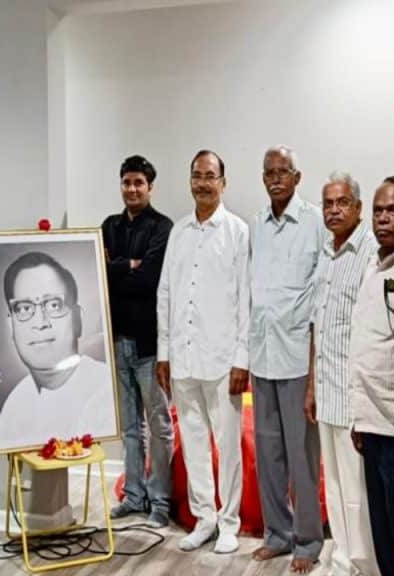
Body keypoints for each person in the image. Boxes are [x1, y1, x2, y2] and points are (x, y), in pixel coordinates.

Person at [156, 149, 250, 554]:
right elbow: (165, 293)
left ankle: (229, 523)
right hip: (183, 356)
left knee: (227, 447)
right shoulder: (178, 232)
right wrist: (164, 352)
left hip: (222, 359)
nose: (203, 183)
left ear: (223, 183)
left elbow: (246, 299)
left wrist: (242, 358)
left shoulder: (237, 232)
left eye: (210, 176)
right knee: (193, 443)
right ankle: (204, 518)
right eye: (197, 175)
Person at [248, 146, 325, 573]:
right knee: (269, 455)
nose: (276, 178)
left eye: (283, 171)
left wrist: (315, 372)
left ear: (297, 177)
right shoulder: (256, 225)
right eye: (269, 172)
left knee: (302, 457)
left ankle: (309, 541)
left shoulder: (314, 222)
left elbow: (319, 296)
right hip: (262, 356)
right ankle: (277, 534)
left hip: (297, 358)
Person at [307, 172, 380, 576]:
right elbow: (317, 326)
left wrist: (363, 398)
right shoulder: (325, 253)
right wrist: (310, 388)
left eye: (342, 203)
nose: (334, 210)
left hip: (354, 393)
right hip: (326, 387)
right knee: (333, 485)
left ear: (358, 207)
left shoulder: (370, 253)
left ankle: (364, 565)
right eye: (328, 204)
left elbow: (372, 330)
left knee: (357, 489)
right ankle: (340, 558)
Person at [349, 176, 394, 576]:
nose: (383, 218)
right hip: (369, 421)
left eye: (393, 210)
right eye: (378, 211)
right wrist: (358, 417)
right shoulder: (372, 266)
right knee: (383, 531)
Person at [101, 154, 175, 528]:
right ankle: (133, 496)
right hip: (117, 339)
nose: (132, 189)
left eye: (138, 183)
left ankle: (160, 501)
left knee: (159, 424)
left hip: (150, 344)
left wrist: (119, 268)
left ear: (150, 187)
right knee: (129, 427)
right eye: (126, 182)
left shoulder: (163, 227)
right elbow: (99, 272)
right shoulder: (109, 226)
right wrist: (127, 265)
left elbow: (149, 280)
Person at [0, 252, 115, 450]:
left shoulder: (104, 393)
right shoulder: (15, 403)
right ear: (11, 326)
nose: (40, 323)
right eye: (24, 308)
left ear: (77, 319)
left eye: (53, 305)